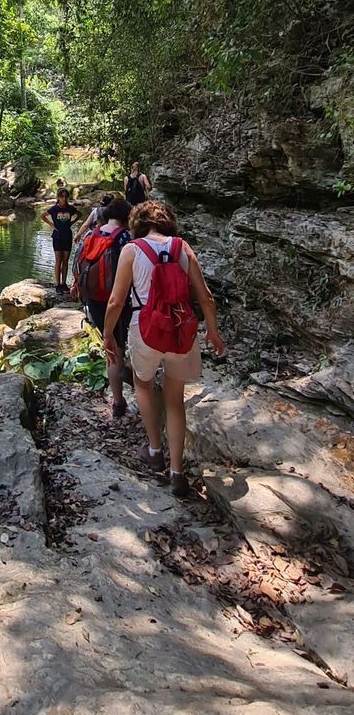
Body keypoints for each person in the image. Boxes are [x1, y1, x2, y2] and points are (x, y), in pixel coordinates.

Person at [102, 199, 225, 497]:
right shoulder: (181, 247)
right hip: (180, 330)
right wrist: (212, 331)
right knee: (174, 399)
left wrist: (108, 334)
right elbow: (205, 297)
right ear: (167, 221)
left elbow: (116, 301)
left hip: (144, 328)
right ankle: (177, 472)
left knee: (143, 386)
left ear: (138, 223)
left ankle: (155, 450)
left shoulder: (132, 250)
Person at [74, 197, 133, 420]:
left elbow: (78, 264)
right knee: (117, 349)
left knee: (111, 348)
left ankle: (119, 394)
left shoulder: (92, 234)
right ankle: (119, 401)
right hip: (118, 301)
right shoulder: (125, 238)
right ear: (126, 217)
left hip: (95, 300)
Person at [41, 187, 80, 292]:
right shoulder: (54, 209)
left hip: (67, 236)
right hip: (57, 236)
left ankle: (64, 283)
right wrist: (51, 225)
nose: (64, 199)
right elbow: (42, 216)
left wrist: (72, 222)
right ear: (58, 197)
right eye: (62, 196)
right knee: (58, 260)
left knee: (66, 260)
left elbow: (79, 214)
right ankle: (57, 284)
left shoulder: (70, 208)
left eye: (66, 197)